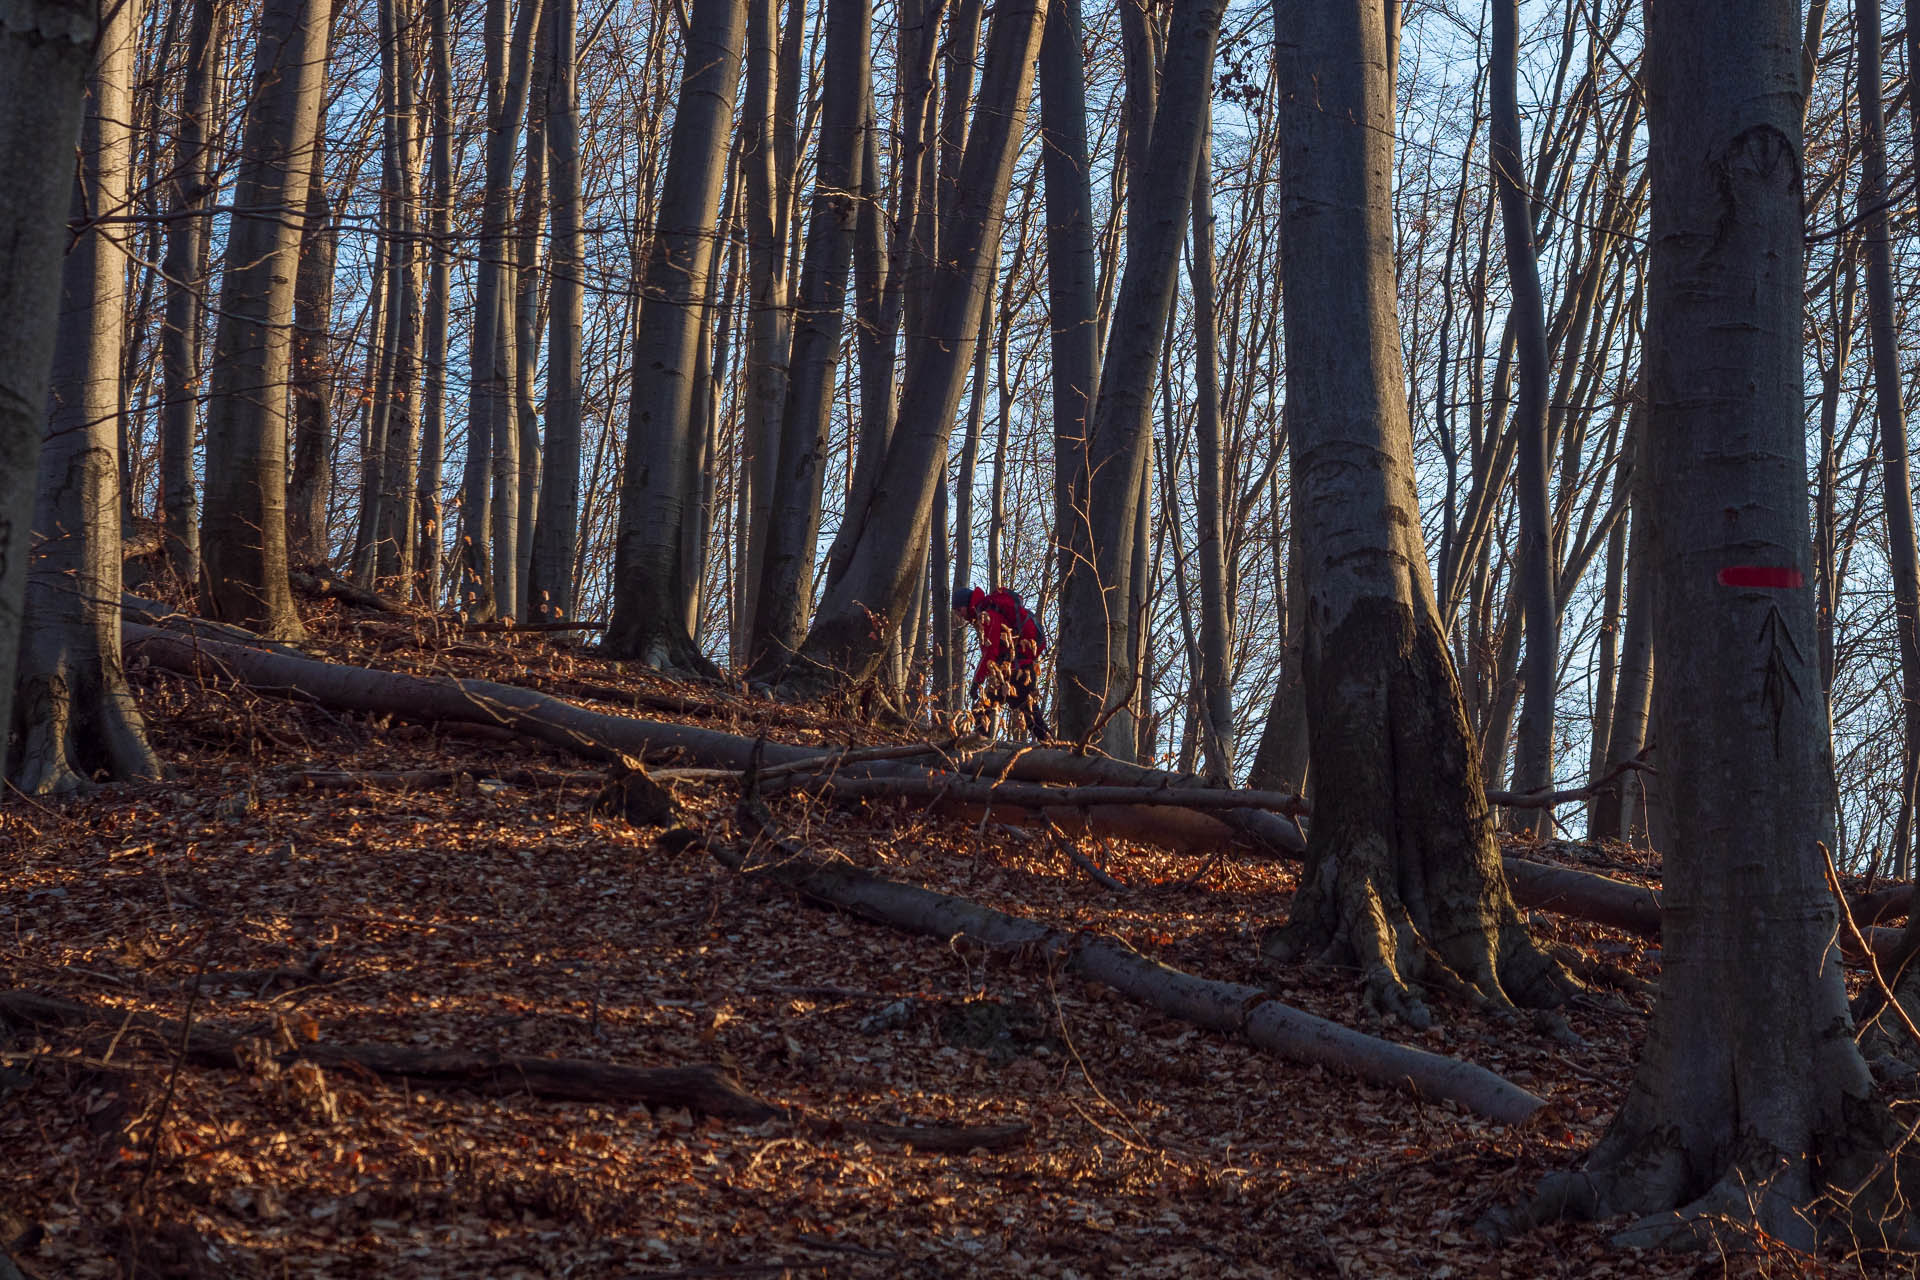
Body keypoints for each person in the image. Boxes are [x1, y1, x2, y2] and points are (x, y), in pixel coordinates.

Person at [952, 584, 1050, 740]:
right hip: (1019, 667)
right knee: (1028, 712)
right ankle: (1051, 744)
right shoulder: (987, 610)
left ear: (967, 604)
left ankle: (979, 747)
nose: (960, 615)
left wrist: (977, 681)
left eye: (959, 610)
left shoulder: (987, 614)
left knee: (984, 709)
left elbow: (990, 652)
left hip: (1017, 669)